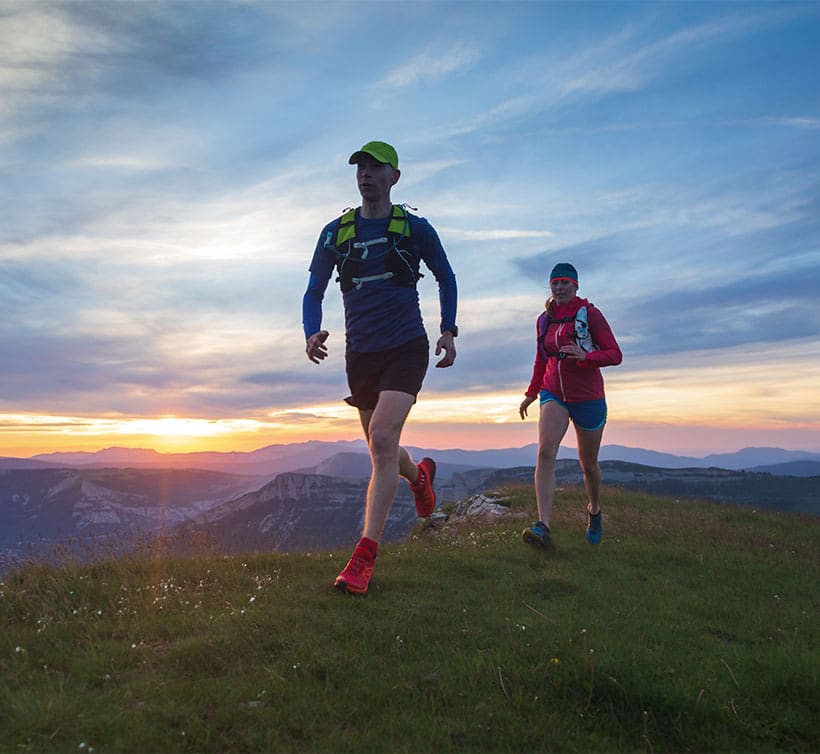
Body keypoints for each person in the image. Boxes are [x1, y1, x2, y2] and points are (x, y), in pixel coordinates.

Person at [302, 140, 458, 595]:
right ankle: (419, 477)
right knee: (380, 448)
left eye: (376, 167)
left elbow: (445, 276)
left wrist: (448, 330)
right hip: (361, 354)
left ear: (395, 177)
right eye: (360, 168)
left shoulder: (414, 228)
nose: (366, 174)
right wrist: (311, 330)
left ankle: (364, 557)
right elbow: (314, 290)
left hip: (406, 346)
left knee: (385, 438)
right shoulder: (335, 232)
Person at [518, 262, 622, 547]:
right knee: (545, 453)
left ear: (576, 286)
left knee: (588, 465)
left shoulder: (590, 315)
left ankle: (595, 510)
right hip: (554, 394)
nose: (560, 288)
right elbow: (541, 359)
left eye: (565, 282)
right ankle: (543, 526)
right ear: (550, 287)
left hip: (588, 397)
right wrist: (532, 392)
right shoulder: (544, 319)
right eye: (555, 283)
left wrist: (585, 357)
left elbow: (615, 354)